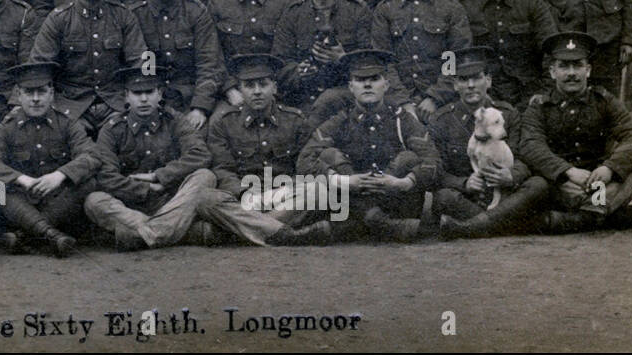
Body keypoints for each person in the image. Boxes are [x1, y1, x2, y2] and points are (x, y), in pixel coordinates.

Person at [297, 49, 441, 241]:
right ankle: (380, 224)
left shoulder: (402, 120)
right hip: (354, 197)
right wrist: (345, 181)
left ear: (386, 84)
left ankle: (361, 224)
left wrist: (404, 182)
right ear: (350, 86)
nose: (367, 84)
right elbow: (304, 161)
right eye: (359, 79)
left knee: (409, 159)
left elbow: (433, 160)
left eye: (374, 79)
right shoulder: (340, 121)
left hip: (394, 201)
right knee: (328, 155)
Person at [518, 32, 632, 232]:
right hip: (563, 186)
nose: (571, 73)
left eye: (577, 65)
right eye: (564, 66)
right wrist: (567, 172)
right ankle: (607, 216)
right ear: (552, 72)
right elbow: (530, 146)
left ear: (588, 70)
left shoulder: (604, 101)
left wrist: (609, 168)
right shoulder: (539, 107)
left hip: (599, 186)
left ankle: (582, 219)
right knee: (538, 182)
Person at [83, 64, 218, 250]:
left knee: (205, 176)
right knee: (94, 200)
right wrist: (145, 190)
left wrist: (160, 177)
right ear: (126, 96)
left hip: (172, 201)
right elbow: (106, 175)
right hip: (131, 206)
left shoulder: (175, 121)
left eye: (149, 91)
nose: (144, 99)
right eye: (137, 93)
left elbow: (200, 154)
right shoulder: (112, 129)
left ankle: (144, 235)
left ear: (160, 94)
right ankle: (182, 233)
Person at [203, 54, 334, 245]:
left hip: (285, 196)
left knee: (319, 190)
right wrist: (244, 193)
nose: (257, 91)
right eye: (249, 86)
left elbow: (304, 165)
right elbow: (222, 169)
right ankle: (285, 235)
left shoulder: (295, 120)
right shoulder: (224, 123)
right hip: (245, 199)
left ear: (274, 87)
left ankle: (237, 234)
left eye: (263, 84)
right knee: (205, 198)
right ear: (240, 89)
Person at [0, 61, 99, 256]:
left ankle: (24, 235)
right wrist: (21, 179)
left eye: (41, 92)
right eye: (29, 92)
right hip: (19, 201)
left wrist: (59, 175)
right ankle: (51, 235)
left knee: (88, 183)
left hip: (57, 200)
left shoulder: (67, 123)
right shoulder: (7, 126)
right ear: (19, 95)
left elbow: (91, 155)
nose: (35, 99)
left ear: (51, 93)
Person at [426, 47, 549, 239]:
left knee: (538, 185)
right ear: (455, 85)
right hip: (468, 199)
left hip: (504, 196)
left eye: (477, 78)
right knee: (443, 197)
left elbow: (523, 158)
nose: (471, 85)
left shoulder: (508, 114)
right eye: (463, 79)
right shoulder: (441, 120)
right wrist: (464, 183)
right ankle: (506, 224)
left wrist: (510, 176)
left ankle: (472, 227)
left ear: (488, 81)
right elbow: (436, 171)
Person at [27, 0, 148, 130]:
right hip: (71, 106)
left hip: (115, 104)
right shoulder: (58, 19)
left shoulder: (124, 17)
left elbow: (141, 62)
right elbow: (39, 67)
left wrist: (138, 100)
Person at [371, 0, 472, 119]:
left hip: (442, 103)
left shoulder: (450, 8)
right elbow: (384, 61)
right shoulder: (386, 10)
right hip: (396, 101)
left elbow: (456, 58)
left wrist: (435, 98)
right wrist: (403, 102)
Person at [132, 0, 225, 132]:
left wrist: (200, 108)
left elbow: (208, 64)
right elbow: (136, 66)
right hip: (151, 100)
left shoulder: (196, 12)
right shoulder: (136, 16)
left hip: (189, 99)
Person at [272, 0, 374, 108]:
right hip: (303, 98)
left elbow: (371, 61)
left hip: (347, 98)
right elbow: (279, 62)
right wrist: (299, 71)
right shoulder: (293, 14)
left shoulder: (357, 10)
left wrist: (342, 59)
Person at [459, 0, 557, 105]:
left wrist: (545, 92)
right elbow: (456, 54)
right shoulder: (464, 8)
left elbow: (552, 51)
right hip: (483, 97)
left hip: (528, 96)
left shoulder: (531, 4)